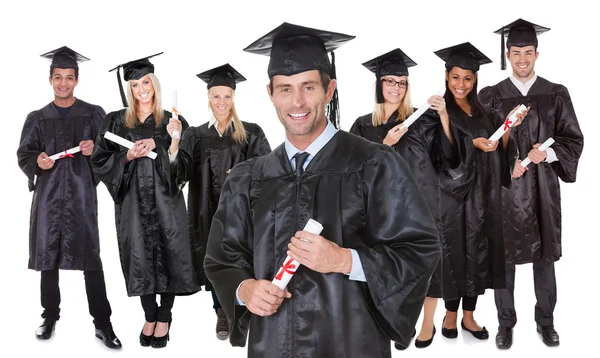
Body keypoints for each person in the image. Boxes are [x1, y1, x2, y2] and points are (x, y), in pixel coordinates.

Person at [203, 22, 441, 358]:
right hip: (272, 344)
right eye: (285, 89)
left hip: (352, 344)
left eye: (308, 87)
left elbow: (420, 250)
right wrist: (244, 289)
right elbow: (221, 259)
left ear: (329, 91)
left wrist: (346, 260)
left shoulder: (374, 164)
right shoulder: (250, 177)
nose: (296, 101)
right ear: (270, 94)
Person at [349, 48, 474, 350]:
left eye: (401, 82)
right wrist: (385, 144)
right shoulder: (363, 125)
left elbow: (449, 157)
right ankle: (391, 322)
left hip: (421, 207)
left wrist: (443, 115)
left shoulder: (423, 119)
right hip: (379, 212)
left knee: (426, 269)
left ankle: (426, 324)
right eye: (389, 81)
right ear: (379, 85)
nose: (395, 87)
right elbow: (351, 172)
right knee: (385, 269)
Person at [479, 18, 584, 349]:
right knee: (504, 260)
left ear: (537, 54)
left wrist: (549, 156)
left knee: (544, 259)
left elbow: (572, 138)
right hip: (507, 192)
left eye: (528, 52)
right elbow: (483, 144)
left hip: (542, 191)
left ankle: (546, 322)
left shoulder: (555, 93)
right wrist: (508, 165)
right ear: (507, 55)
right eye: (515, 53)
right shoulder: (491, 97)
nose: (522, 59)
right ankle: (505, 323)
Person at [90, 53, 199, 349]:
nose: (142, 89)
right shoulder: (115, 122)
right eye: (136, 84)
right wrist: (126, 156)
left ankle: (165, 316)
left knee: (171, 255)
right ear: (129, 89)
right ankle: (149, 315)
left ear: (155, 83)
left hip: (167, 202)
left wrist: (166, 142)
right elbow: (99, 161)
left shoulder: (174, 121)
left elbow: (186, 166)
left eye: (146, 82)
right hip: (132, 204)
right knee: (138, 257)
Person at [16, 46, 122, 349]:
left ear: (77, 80)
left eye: (69, 77)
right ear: (50, 79)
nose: (63, 82)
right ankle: (49, 316)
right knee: (47, 258)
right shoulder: (37, 118)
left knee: (91, 260)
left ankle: (103, 324)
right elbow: (24, 153)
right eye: (58, 77)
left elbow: (110, 153)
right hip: (48, 199)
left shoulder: (93, 114)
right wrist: (37, 161)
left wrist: (94, 150)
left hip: (82, 197)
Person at [170, 63, 271, 340]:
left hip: (243, 211)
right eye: (216, 96)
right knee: (213, 258)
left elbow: (268, 168)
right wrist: (175, 143)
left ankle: (245, 304)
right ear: (209, 98)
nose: (222, 102)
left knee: (243, 256)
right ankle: (222, 310)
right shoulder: (195, 134)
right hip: (206, 211)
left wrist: (242, 172)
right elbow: (179, 175)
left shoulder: (251, 132)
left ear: (234, 98)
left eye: (227, 96)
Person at [433, 42, 526, 342]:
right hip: (452, 198)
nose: (461, 84)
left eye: (468, 78)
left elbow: (502, 144)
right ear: (446, 76)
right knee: (454, 254)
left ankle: (469, 316)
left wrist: (510, 125)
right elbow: (438, 154)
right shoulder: (438, 111)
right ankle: (449, 315)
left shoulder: (486, 112)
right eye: (456, 77)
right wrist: (471, 145)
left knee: (477, 255)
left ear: (475, 80)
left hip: (484, 197)